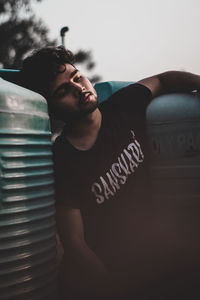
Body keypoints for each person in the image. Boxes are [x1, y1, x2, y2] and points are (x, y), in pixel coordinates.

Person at [20, 46, 200, 299]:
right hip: (108, 270)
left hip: (154, 248)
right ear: (52, 110)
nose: (77, 88)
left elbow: (163, 79)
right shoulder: (62, 161)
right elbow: (75, 244)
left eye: (76, 77)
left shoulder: (124, 106)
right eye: (63, 91)